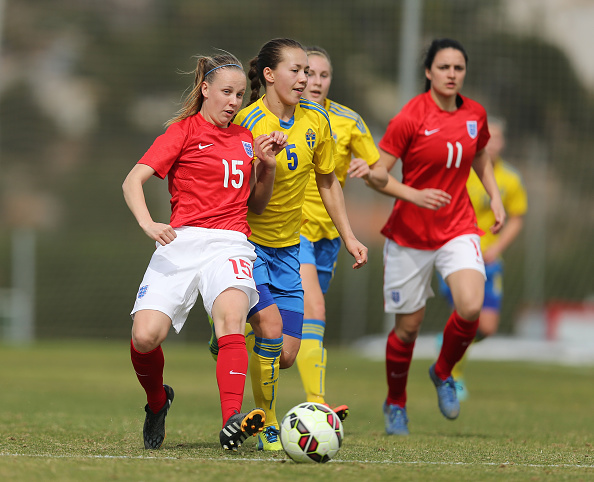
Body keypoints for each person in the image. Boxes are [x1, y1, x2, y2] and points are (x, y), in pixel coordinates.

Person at [122, 52, 288, 451]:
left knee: (230, 320)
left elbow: (258, 206)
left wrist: (266, 166)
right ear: (206, 90)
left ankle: (232, 418)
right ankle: (157, 402)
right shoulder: (182, 132)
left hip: (229, 242)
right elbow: (133, 181)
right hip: (180, 242)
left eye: (240, 94)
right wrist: (149, 224)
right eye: (227, 93)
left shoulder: (247, 140)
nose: (234, 101)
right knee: (145, 337)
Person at [225, 38, 368, 451]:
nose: (305, 79)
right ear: (269, 75)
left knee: (286, 354)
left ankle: (232, 332)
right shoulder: (247, 124)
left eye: (308, 71)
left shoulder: (317, 122)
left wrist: (350, 235)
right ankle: (267, 422)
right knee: (270, 332)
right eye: (296, 70)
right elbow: (247, 199)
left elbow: (328, 181)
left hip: (289, 248)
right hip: (247, 246)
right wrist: (264, 167)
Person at [362, 38, 506, 435]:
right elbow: (378, 174)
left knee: (472, 306)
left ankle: (442, 372)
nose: (451, 74)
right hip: (409, 235)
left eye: (458, 68)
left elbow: (480, 155)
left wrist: (494, 196)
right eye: (443, 67)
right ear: (428, 72)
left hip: (458, 227)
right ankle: (396, 402)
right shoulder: (410, 117)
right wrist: (415, 195)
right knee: (407, 328)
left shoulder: (475, 113)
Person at [296, 46, 379, 419]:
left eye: (323, 75)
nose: (314, 81)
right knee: (314, 307)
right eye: (308, 73)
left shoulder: (348, 121)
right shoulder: (280, 116)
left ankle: (232, 325)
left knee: (294, 320)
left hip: (328, 235)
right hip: (290, 229)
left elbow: (380, 172)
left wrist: (370, 170)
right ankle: (317, 401)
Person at [437, 117, 527, 400]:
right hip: (460, 254)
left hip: (490, 259)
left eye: (498, 138)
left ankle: (448, 345)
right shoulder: (463, 171)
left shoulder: (510, 179)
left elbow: (517, 218)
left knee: (486, 327)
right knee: (467, 314)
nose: (493, 143)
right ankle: (454, 374)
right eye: (489, 138)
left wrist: (497, 248)